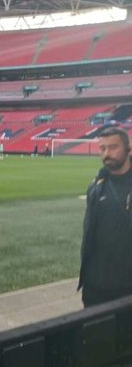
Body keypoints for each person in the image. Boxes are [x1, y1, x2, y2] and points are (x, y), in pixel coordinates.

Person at [79, 127, 132, 307]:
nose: (107, 153)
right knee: (96, 335)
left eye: (113, 147)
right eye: (102, 148)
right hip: (96, 287)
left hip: (127, 288)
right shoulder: (96, 186)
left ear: (128, 148)